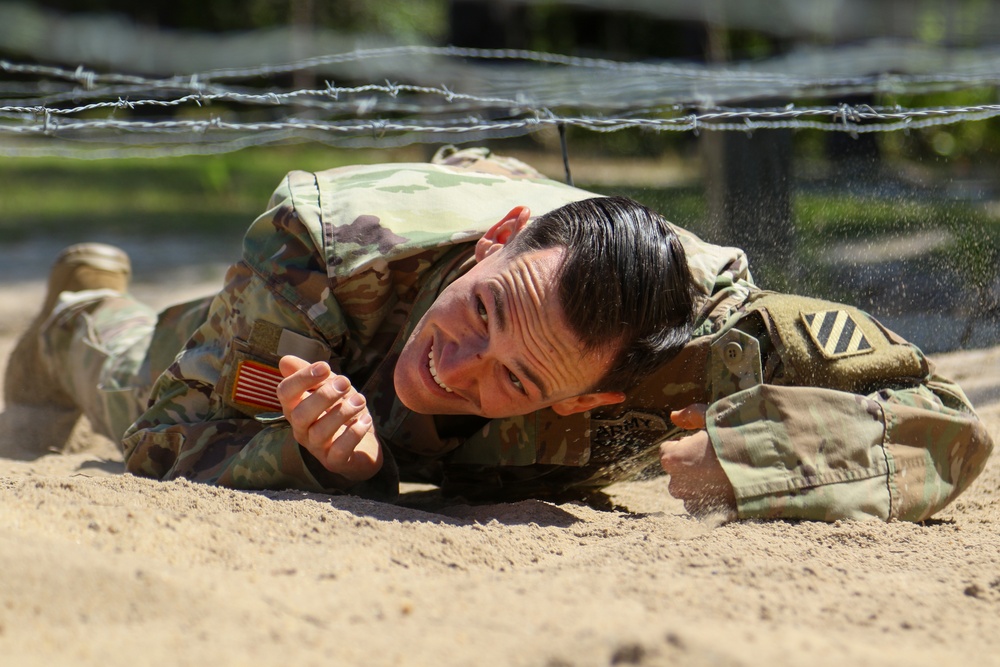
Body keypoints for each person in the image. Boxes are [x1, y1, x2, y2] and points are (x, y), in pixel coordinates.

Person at [3, 147, 992, 523]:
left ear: (595, 397)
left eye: (516, 377)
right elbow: (175, 425)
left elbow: (948, 424)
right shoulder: (321, 254)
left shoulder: (714, 345)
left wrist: (767, 454)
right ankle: (77, 310)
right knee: (134, 370)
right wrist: (322, 453)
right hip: (297, 353)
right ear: (501, 237)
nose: (457, 364)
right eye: (484, 310)